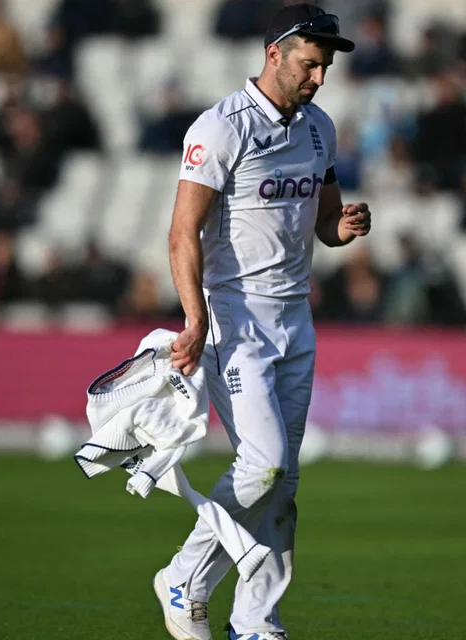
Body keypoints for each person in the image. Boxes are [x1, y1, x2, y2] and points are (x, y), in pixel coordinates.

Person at [157, 5, 370, 640]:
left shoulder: (319, 129)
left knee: (283, 482)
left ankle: (256, 621)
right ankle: (184, 579)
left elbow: (325, 225)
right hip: (234, 318)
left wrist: (345, 226)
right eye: (310, 63)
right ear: (274, 52)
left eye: (326, 67)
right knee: (264, 465)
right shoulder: (222, 127)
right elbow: (181, 232)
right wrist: (195, 318)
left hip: (295, 319)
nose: (320, 78)